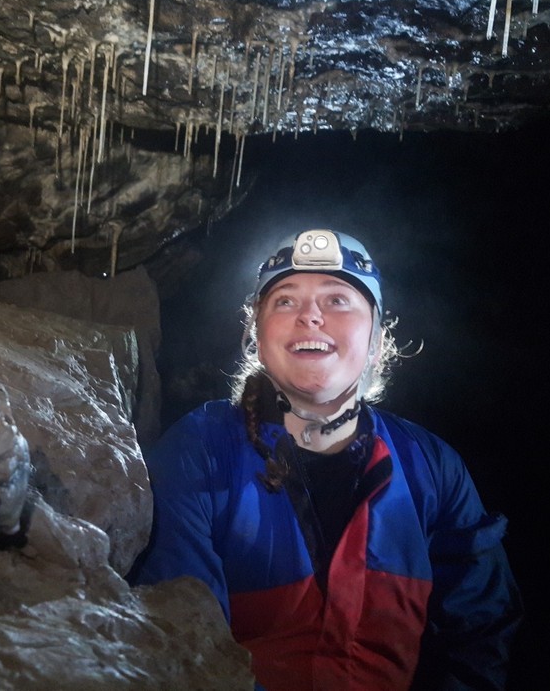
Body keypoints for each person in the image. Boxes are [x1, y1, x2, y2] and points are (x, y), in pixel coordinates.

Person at [131, 229, 522, 690]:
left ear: (377, 342)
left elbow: (479, 634)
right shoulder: (200, 451)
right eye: (285, 301)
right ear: (256, 337)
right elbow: (181, 639)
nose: (310, 316)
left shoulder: (430, 468)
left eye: (337, 300)